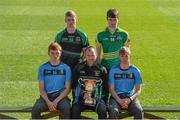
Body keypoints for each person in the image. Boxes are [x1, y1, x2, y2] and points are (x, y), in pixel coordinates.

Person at [96, 8, 130, 105]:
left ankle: (116, 110)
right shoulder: (100, 35)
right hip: (105, 67)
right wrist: (98, 67)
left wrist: (126, 67)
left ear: (118, 19)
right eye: (110, 19)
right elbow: (98, 55)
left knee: (118, 91)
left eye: (114, 19)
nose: (112, 22)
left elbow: (127, 53)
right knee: (105, 91)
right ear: (107, 19)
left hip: (119, 68)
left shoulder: (124, 34)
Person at [55, 10, 89, 101]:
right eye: (68, 20)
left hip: (76, 67)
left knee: (75, 88)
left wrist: (81, 62)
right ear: (65, 20)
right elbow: (55, 52)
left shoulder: (82, 35)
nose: (71, 22)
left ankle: (75, 105)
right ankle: (62, 106)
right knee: (61, 89)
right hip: (63, 66)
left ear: (76, 20)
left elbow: (86, 52)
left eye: (72, 20)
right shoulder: (60, 35)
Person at [31, 43, 71, 119]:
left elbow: (67, 89)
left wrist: (56, 101)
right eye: (52, 53)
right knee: (36, 109)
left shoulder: (66, 68)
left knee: (67, 108)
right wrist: (48, 102)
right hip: (46, 97)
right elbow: (41, 89)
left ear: (60, 53)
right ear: (48, 53)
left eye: (57, 53)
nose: (55, 56)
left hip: (61, 97)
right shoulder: (43, 68)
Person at [71, 46, 107, 119]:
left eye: (93, 55)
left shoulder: (102, 69)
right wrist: (82, 95)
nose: (90, 58)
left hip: (96, 99)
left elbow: (105, 89)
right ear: (85, 55)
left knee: (103, 110)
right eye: (88, 55)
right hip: (81, 99)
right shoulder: (78, 67)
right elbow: (73, 86)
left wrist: (97, 98)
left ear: (96, 55)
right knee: (74, 110)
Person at [108, 46, 143, 119]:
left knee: (139, 110)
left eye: (126, 56)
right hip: (116, 98)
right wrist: (119, 100)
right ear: (119, 57)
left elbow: (138, 90)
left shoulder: (136, 71)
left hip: (130, 97)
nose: (124, 58)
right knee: (113, 111)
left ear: (130, 56)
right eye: (122, 56)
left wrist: (130, 99)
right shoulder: (113, 70)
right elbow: (111, 89)